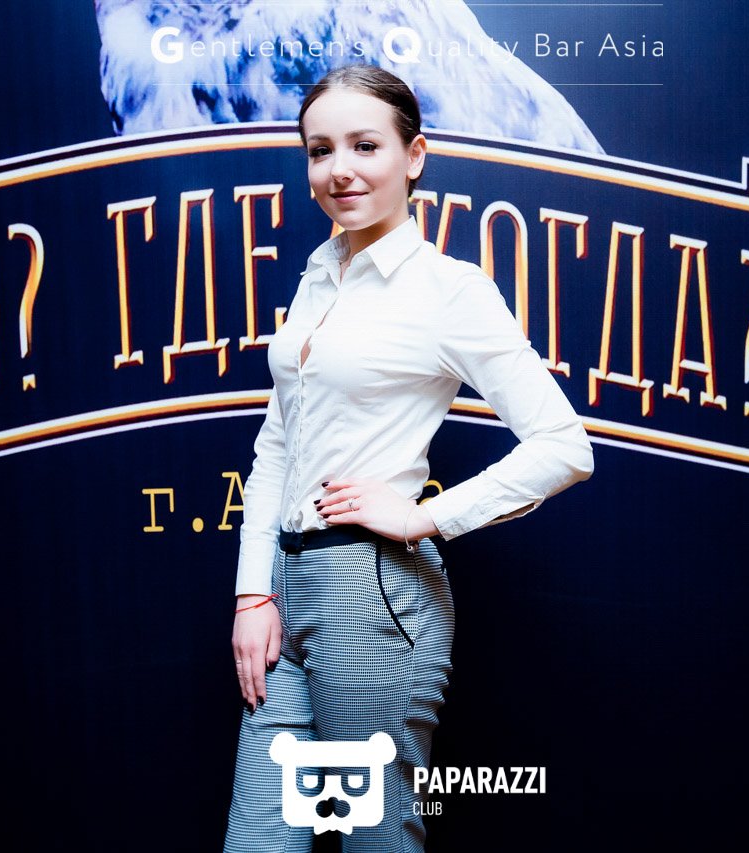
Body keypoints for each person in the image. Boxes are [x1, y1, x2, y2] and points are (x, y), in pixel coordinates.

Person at [223, 63, 594, 852]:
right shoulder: (318, 277)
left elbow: (563, 446)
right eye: (320, 150)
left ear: (414, 155)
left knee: (377, 838)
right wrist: (254, 592)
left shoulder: (448, 289)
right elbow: (276, 446)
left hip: (377, 592)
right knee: (257, 841)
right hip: (287, 589)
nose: (340, 169)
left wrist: (427, 516)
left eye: (365, 145)